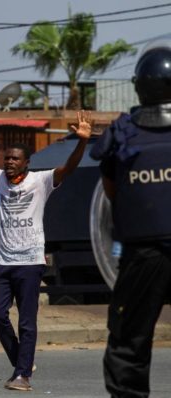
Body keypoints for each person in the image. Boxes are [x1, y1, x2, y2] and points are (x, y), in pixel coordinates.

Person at [0, 104, 92, 391]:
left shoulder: (41, 181)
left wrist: (82, 141)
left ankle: (23, 375)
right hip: (3, 262)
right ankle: (22, 360)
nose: (9, 162)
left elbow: (67, 168)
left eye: (15, 159)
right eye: (6, 158)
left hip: (31, 262)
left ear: (26, 162)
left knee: (26, 321)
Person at [90, 42, 171, 398]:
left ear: (140, 86)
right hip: (143, 254)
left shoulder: (121, 135)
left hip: (142, 258)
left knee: (128, 345)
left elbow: (111, 192)